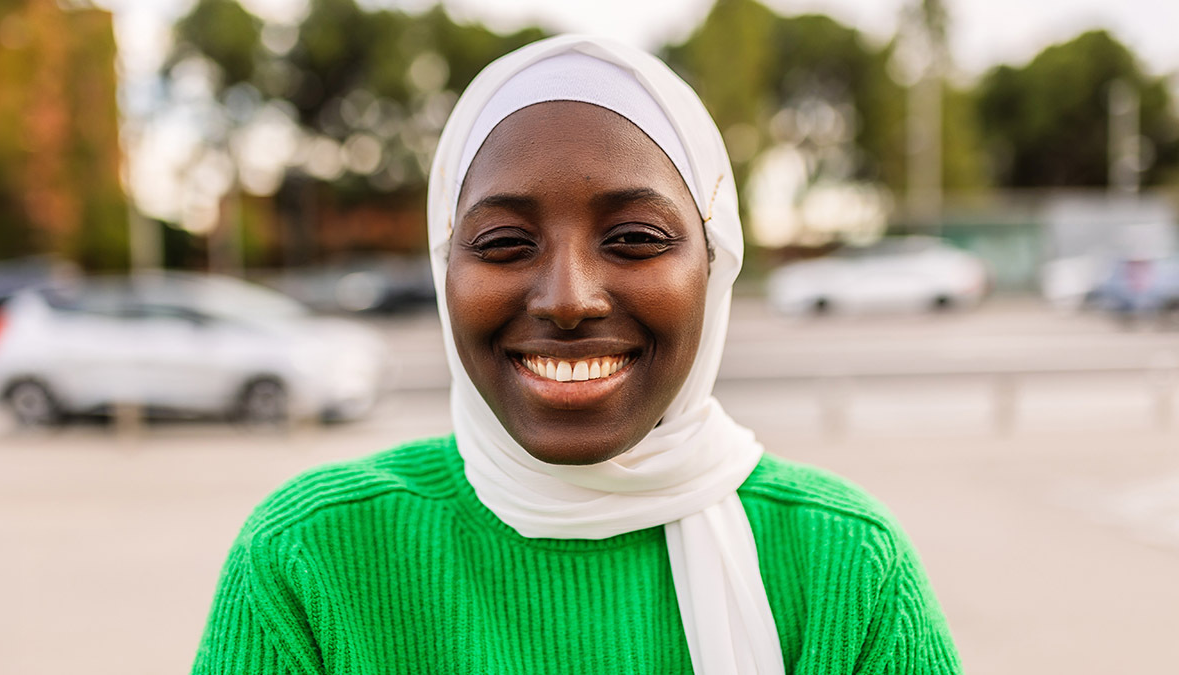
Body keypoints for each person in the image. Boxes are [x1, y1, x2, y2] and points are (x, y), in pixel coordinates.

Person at [192, 35, 961, 675]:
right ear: (444, 267)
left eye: (635, 238)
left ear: (714, 265)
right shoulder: (310, 560)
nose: (568, 299)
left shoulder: (846, 570)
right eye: (504, 242)